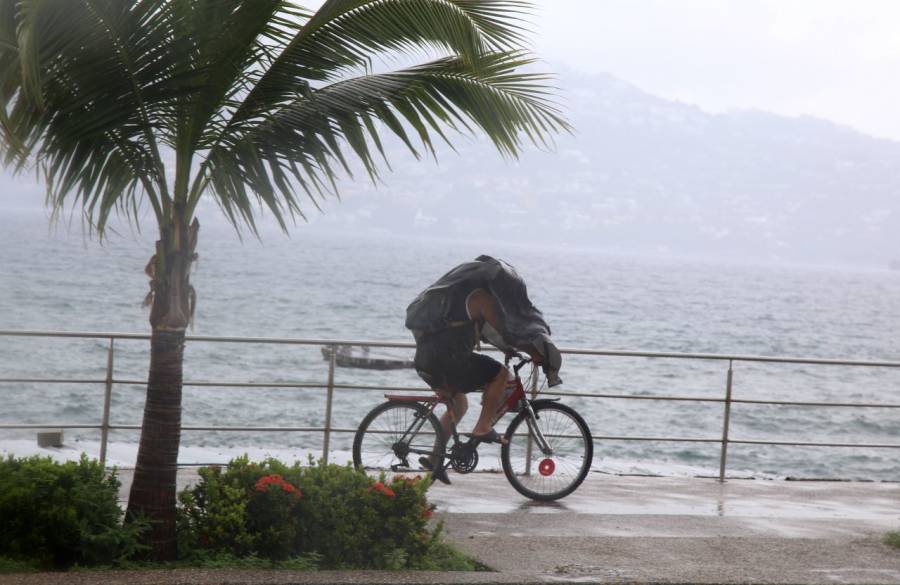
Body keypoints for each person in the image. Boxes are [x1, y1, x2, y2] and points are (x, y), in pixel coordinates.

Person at [405, 255, 562, 484]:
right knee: (501, 375)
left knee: (459, 404)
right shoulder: (481, 298)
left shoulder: (460, 297)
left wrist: (506, 349)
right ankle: (483, 426)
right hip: (449, 359)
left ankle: (434, 459)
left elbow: (489, 333)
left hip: (429, 358)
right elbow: (506, 330)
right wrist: (535, 354)